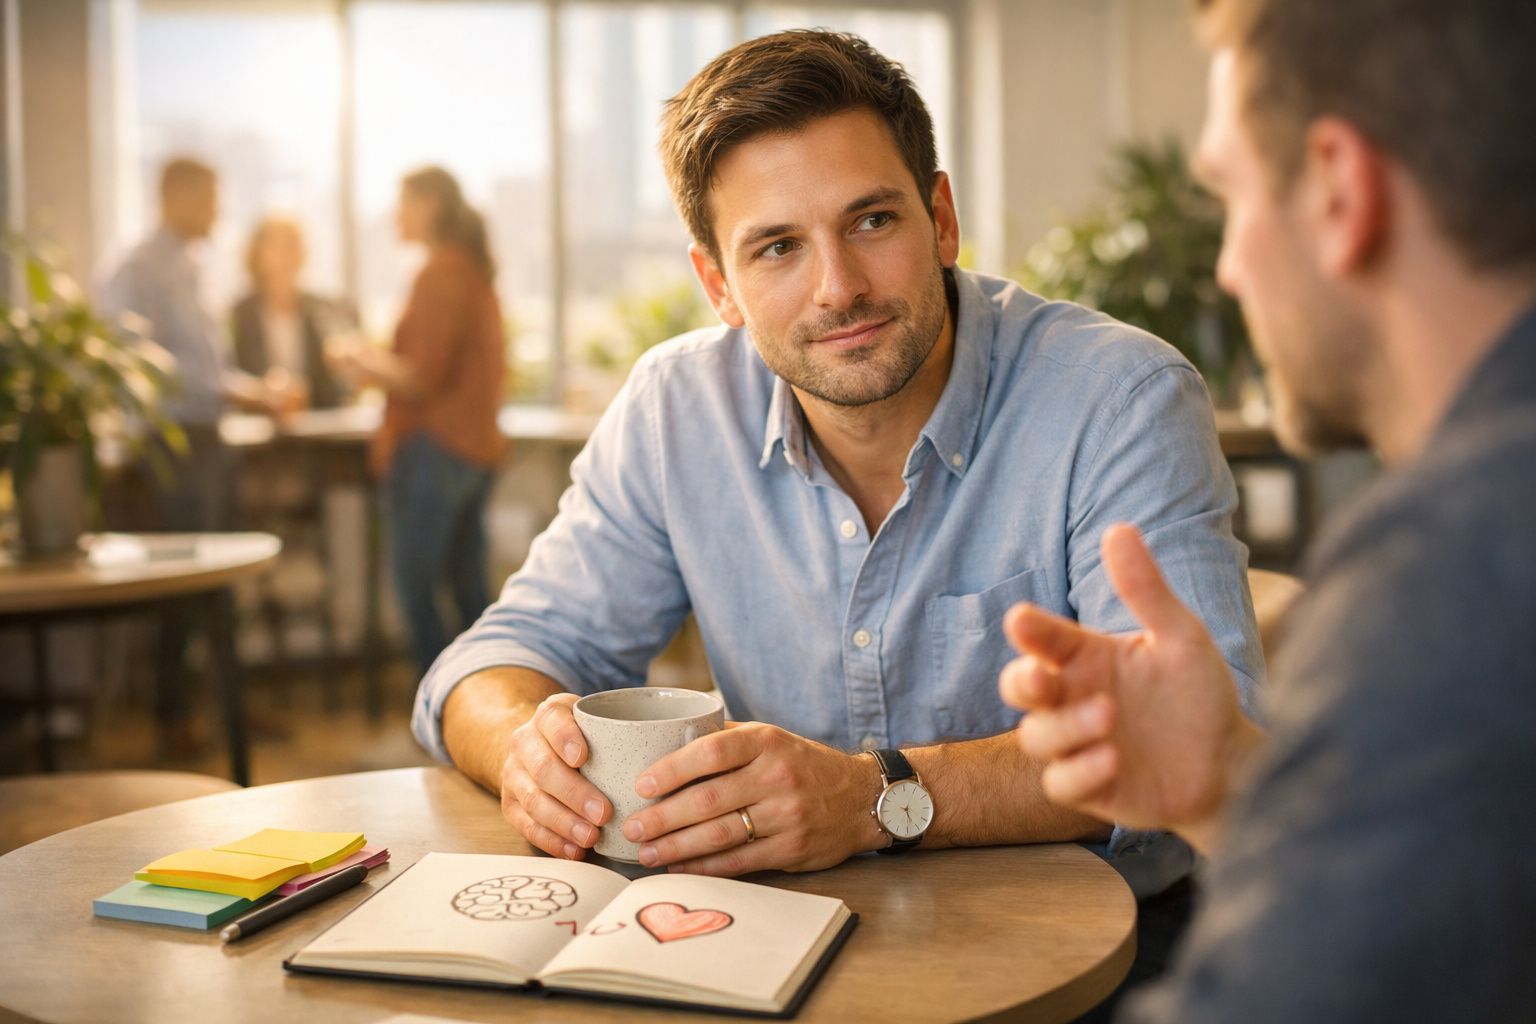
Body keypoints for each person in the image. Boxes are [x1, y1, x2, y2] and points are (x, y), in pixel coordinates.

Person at [412, 30, 1262, 889]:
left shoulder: (1118, 398)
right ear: (718, 286)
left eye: (872, 220)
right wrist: (527, 749)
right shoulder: (677, 410)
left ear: (940, 220)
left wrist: (870, 798)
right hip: (784, 939)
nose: (838, 288)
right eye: (778, 246)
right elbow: (497, 660)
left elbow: (1186, 742)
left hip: (1095, 947)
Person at [999, 0, 1536, 1019]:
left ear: (1341, 188)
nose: (1231, 265)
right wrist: (1227, 786)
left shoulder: (1448, 573)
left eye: (1233, 195)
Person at [100, 157, 287, 753]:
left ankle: (226, 706)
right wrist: (235, 390)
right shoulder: (136, 268)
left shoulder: (190, 266)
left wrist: (252, 391)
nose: (217, 210)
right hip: (170, 445)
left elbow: (204, 365)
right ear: (173, 195)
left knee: (223, 584)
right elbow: (134, 360)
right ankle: (175, 720)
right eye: (208, 197)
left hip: (209, 440)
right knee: (184, 586)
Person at [330, 167, 506, 677]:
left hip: (436, 449)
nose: (395, 214)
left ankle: (444, 714)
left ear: (428, 204)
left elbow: (422, 376)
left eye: (402, 201)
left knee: (415, 588)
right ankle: (489, 709)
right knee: (470, 592)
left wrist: (359, 359)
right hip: (474, 450)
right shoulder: (472, 271)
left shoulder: (440, 273)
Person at [232, 216, 350, 413]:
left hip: (317, 426)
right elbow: (229, 374)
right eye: (275, 245)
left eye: (291, 245)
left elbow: (339, 386)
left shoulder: (325, 311)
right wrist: (264, 390)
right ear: (258, 254)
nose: (284, 255)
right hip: (258, 429)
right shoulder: (240, 314)